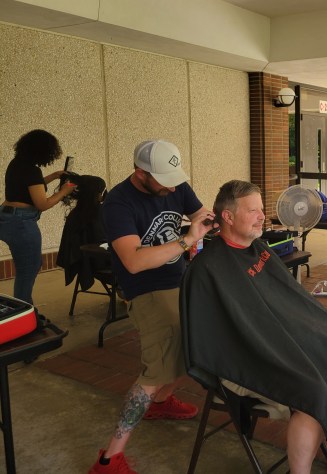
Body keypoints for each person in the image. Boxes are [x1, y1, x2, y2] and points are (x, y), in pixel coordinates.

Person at [180, 180, 327, 474]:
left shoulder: (258, 248)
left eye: (262, 209)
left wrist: (314, 331)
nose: (262, 216)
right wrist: (277, 347)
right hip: (249, 357)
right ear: (228, 217)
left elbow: (288, 302)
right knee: (314, 393)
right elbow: (217, 339)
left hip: (288, 341)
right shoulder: (207, 268)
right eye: (253, 211)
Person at [89, 140, 215, 474]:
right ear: (140, 172)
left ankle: (160, 402)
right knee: (158, 367)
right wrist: (187, 240)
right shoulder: (118, 203)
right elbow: (132, 261)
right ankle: (108, 459)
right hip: (146, 289)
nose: (173, 186)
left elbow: (200, 214)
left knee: (198, 344)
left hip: (180, 278)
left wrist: (205, 225)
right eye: (164, 179)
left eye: (175, 178)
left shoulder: (174, 182)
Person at [0, 129, 75, 305]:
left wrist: (55, 176)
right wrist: (65, 191)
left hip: (5, 217)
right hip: (21, 222)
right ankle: (23, 311)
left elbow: (31, 185)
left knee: (25, 266)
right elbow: (43, 204)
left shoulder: (17, 164)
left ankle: (24, 308)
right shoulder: (32, 171)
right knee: (29, 268)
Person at [56, 175, 108, 289]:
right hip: (102, 263)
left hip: (83, 263)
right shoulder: (100, 213)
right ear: (97, 194)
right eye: (103, 191)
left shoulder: (75, 214)